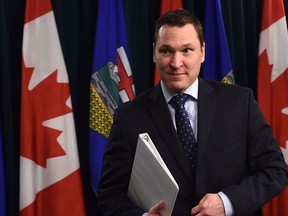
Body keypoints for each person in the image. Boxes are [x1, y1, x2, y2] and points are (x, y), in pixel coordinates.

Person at [97, 9, 288, 216]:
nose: (176, 63)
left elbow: (275, 171)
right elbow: (109, 194)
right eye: (166, 51)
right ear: (154, 52)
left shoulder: (240, 102)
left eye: (186, 50)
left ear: (203, 52)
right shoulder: (128, 117)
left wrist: (226, 203)